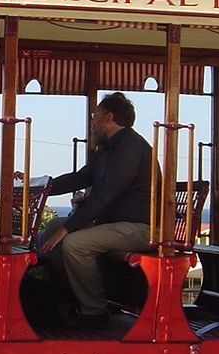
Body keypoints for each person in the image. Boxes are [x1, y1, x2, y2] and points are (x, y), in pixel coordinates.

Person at [36, 92, 152, 329]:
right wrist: (40, 187)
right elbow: (80, 178)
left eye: (94, 116)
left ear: (108, 117)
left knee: (75, 243)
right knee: (52, 228)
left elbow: (105, 196)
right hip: (114, 225)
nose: (92, 122)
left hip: (139, 228)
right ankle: (66, 295)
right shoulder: (109, 149)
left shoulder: (130, 147)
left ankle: (94, 312)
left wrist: (69, 228)